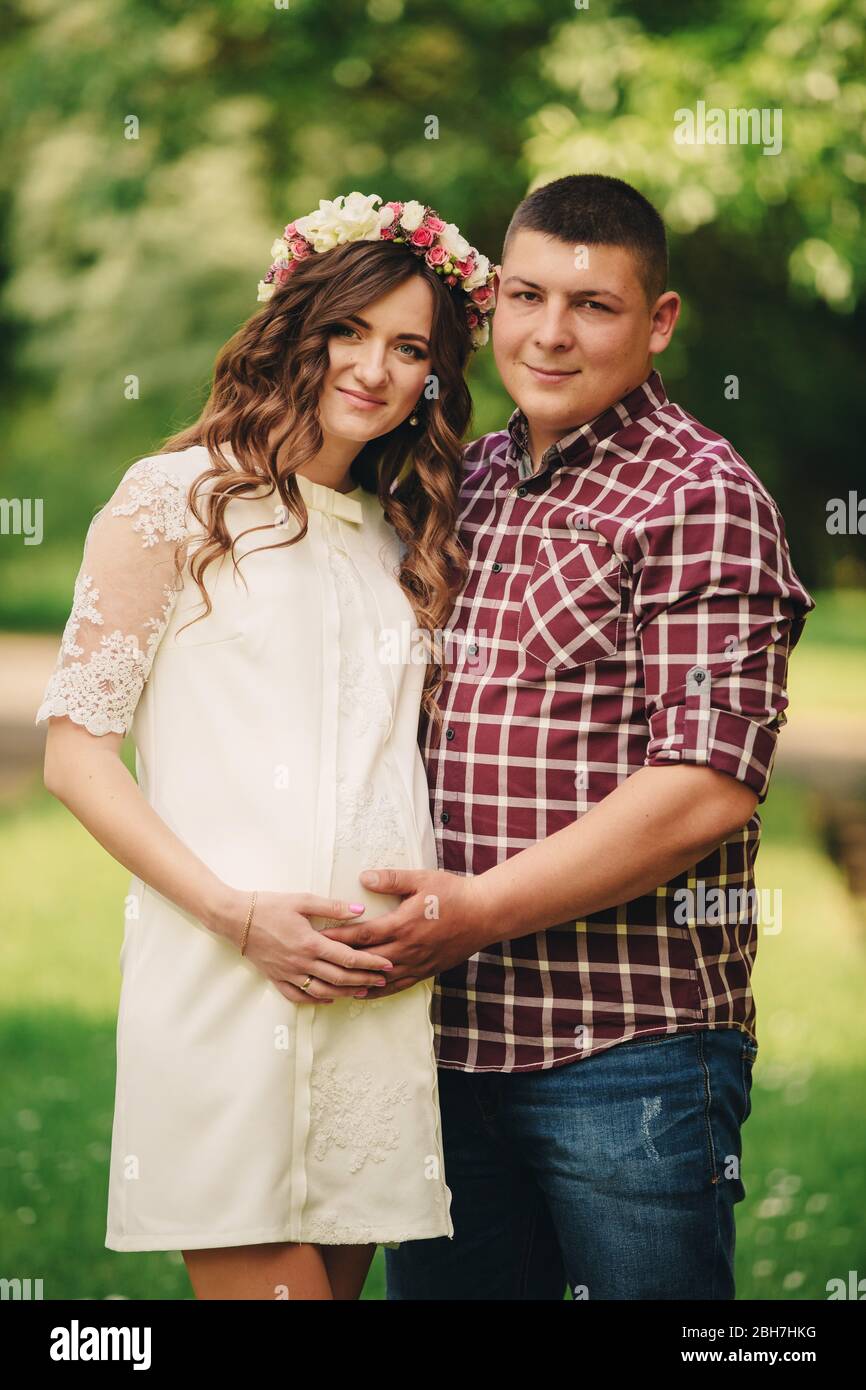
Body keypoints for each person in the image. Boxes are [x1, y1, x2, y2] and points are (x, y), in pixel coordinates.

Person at [318, 174, 817, 1300]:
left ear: (659, 320)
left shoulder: (700, 494)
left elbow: (703, 786)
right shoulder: (465, 479)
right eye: (526, 295)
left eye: (592, 305)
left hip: (625, 1051)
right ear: (489, 302)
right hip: (443, 1039)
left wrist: (479, 909)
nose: (549, 333)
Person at [34, 191, 497, 1300]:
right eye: (349, 330)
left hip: (371, 997)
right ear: (295, 322)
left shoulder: (399, 539)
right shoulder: (169, 501)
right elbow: (75, 754)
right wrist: (238, 914)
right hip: (225, 976)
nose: (374, 370)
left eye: (407, 348)